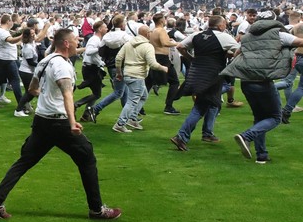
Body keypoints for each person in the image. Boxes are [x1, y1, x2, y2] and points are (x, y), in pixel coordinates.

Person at [0, 29, 121, 221]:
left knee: (25, 161)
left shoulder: (45, 61)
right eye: (75, 40)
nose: (77, 42)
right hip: (59, 122)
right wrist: (73, 122)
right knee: (87, 157)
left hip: (42, 120)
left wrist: (47, 98)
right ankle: (97, 209)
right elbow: (67, 94)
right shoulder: (62, 66)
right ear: (66, 43)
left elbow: (32, 89)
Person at [222, 10, 303, 163]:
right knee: (275, 117)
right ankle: (246, 136)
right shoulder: (278, 34)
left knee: (260, 118)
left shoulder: (248, 36)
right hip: (263, 80)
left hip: (246, 82)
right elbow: (300, 43)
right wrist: (284, 51)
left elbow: (236, 54)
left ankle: (262, 155)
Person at [170, 15, 239, 151]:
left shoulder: (197, 34)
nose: (225, 26)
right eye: (224, 24)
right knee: (201, 107)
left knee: (214, 103)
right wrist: (229, 56)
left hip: (196, 72)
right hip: (213, 74)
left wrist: (191, 58)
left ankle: (207, 133)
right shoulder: (223, 36)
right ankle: (181, 136)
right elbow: (239, 50)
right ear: (220, 25)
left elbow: (180, 47)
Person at [113, 25, 167, 133]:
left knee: (143, 95)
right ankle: (120, 123)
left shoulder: (128, 44)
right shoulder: (148, 46)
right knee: (132, 101)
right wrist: (163, 68)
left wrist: (119, 72)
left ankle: (132, 118)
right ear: (147, 34)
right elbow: (152, 64)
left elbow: (118, 58)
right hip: (137, 76)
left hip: (128, 73)